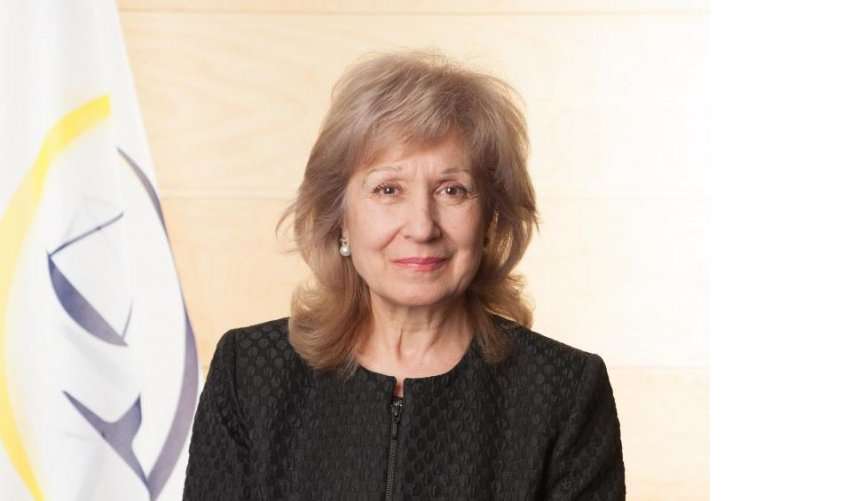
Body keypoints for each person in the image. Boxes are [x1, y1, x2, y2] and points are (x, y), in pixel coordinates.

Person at [183, 49, 625, 500]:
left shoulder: (564, 390)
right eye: (388, 189)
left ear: (491, 217)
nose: (421, 227)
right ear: (340, 218)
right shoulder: (250, 372)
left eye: (452, 190)